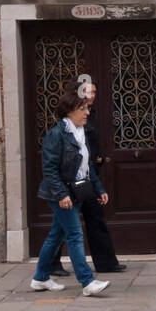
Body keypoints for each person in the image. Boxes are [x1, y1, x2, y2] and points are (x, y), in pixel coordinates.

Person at [30, 91, 110, 296]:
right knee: (75, 234)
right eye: (82, 109)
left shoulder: (81, 133)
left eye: (87, 108)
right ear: (68, 111)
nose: (87, 112)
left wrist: (99, 189)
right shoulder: (56, 135)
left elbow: (87, 165)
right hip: (60, 194)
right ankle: (87, 282)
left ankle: (40, 278)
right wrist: (61, 195)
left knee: (56, 235)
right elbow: (49, 169)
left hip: (77, 192)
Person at [49, 78, 126, 276]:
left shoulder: (89, 116)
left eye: (94, 92)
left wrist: (97, 162)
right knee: (63, 227)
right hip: (70, 180)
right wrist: (61, 191)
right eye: (88, 92)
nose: (91, 97)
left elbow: (88, 148)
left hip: (87, 176)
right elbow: (55, 161)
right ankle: (52, 266)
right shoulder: (65, 127)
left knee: (95, 218)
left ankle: (106, 262)